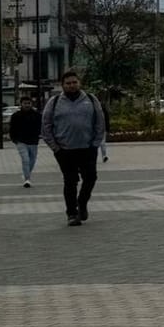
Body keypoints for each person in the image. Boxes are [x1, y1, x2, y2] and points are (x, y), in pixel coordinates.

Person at [42, 70, 107, 226]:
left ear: (79, 83)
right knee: (70, 181)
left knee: (90, 178)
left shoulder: (91, 100)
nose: (71, 85)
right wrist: (55, 148)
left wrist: (95, 144)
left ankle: (82, 202)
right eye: (68, 83)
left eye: (74, 82)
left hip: (87, 148)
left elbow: (100, 123)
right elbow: (46, 125)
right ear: (62, 85)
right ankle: (72, 213)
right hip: (64, 150)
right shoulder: (55, 101)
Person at [9, 93, 43, 187]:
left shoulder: (37, 115)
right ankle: (27, 179)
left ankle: (26, 174)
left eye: (29, 103)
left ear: (31, 104)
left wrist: (40, 135)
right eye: (25, 103)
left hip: (33, 141)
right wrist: (14, 139)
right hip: (21, 141)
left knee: (32, 160)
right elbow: (12, 128)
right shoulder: (16, 116)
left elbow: (41, 126)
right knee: (25, 160)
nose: (27, 105)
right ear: (21, 104)